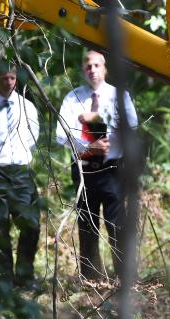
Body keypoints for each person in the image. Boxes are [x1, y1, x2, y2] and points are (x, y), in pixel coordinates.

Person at [57, 50, 138, 281]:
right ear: (83, 71)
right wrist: (88, 149)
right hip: (84, 168)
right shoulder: (72, 98)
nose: (92, 70)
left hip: (112, 167)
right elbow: (62, 134)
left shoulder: (118, 95)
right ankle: (91, 279)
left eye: (96, 65)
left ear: (105, 68)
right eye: (88, 66)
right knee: (87, 224)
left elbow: (131, 125)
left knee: (117, 224)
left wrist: (105, 137)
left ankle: (125, 278)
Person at [0, 60, 40, 286]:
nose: (9, 82)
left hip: (20, 172)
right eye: (4, 78)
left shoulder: (27, 106)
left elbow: (33, 137)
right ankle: (4, 280)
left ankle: (25, 276)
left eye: (12, 78)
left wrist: (20, 156)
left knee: (30, 223)